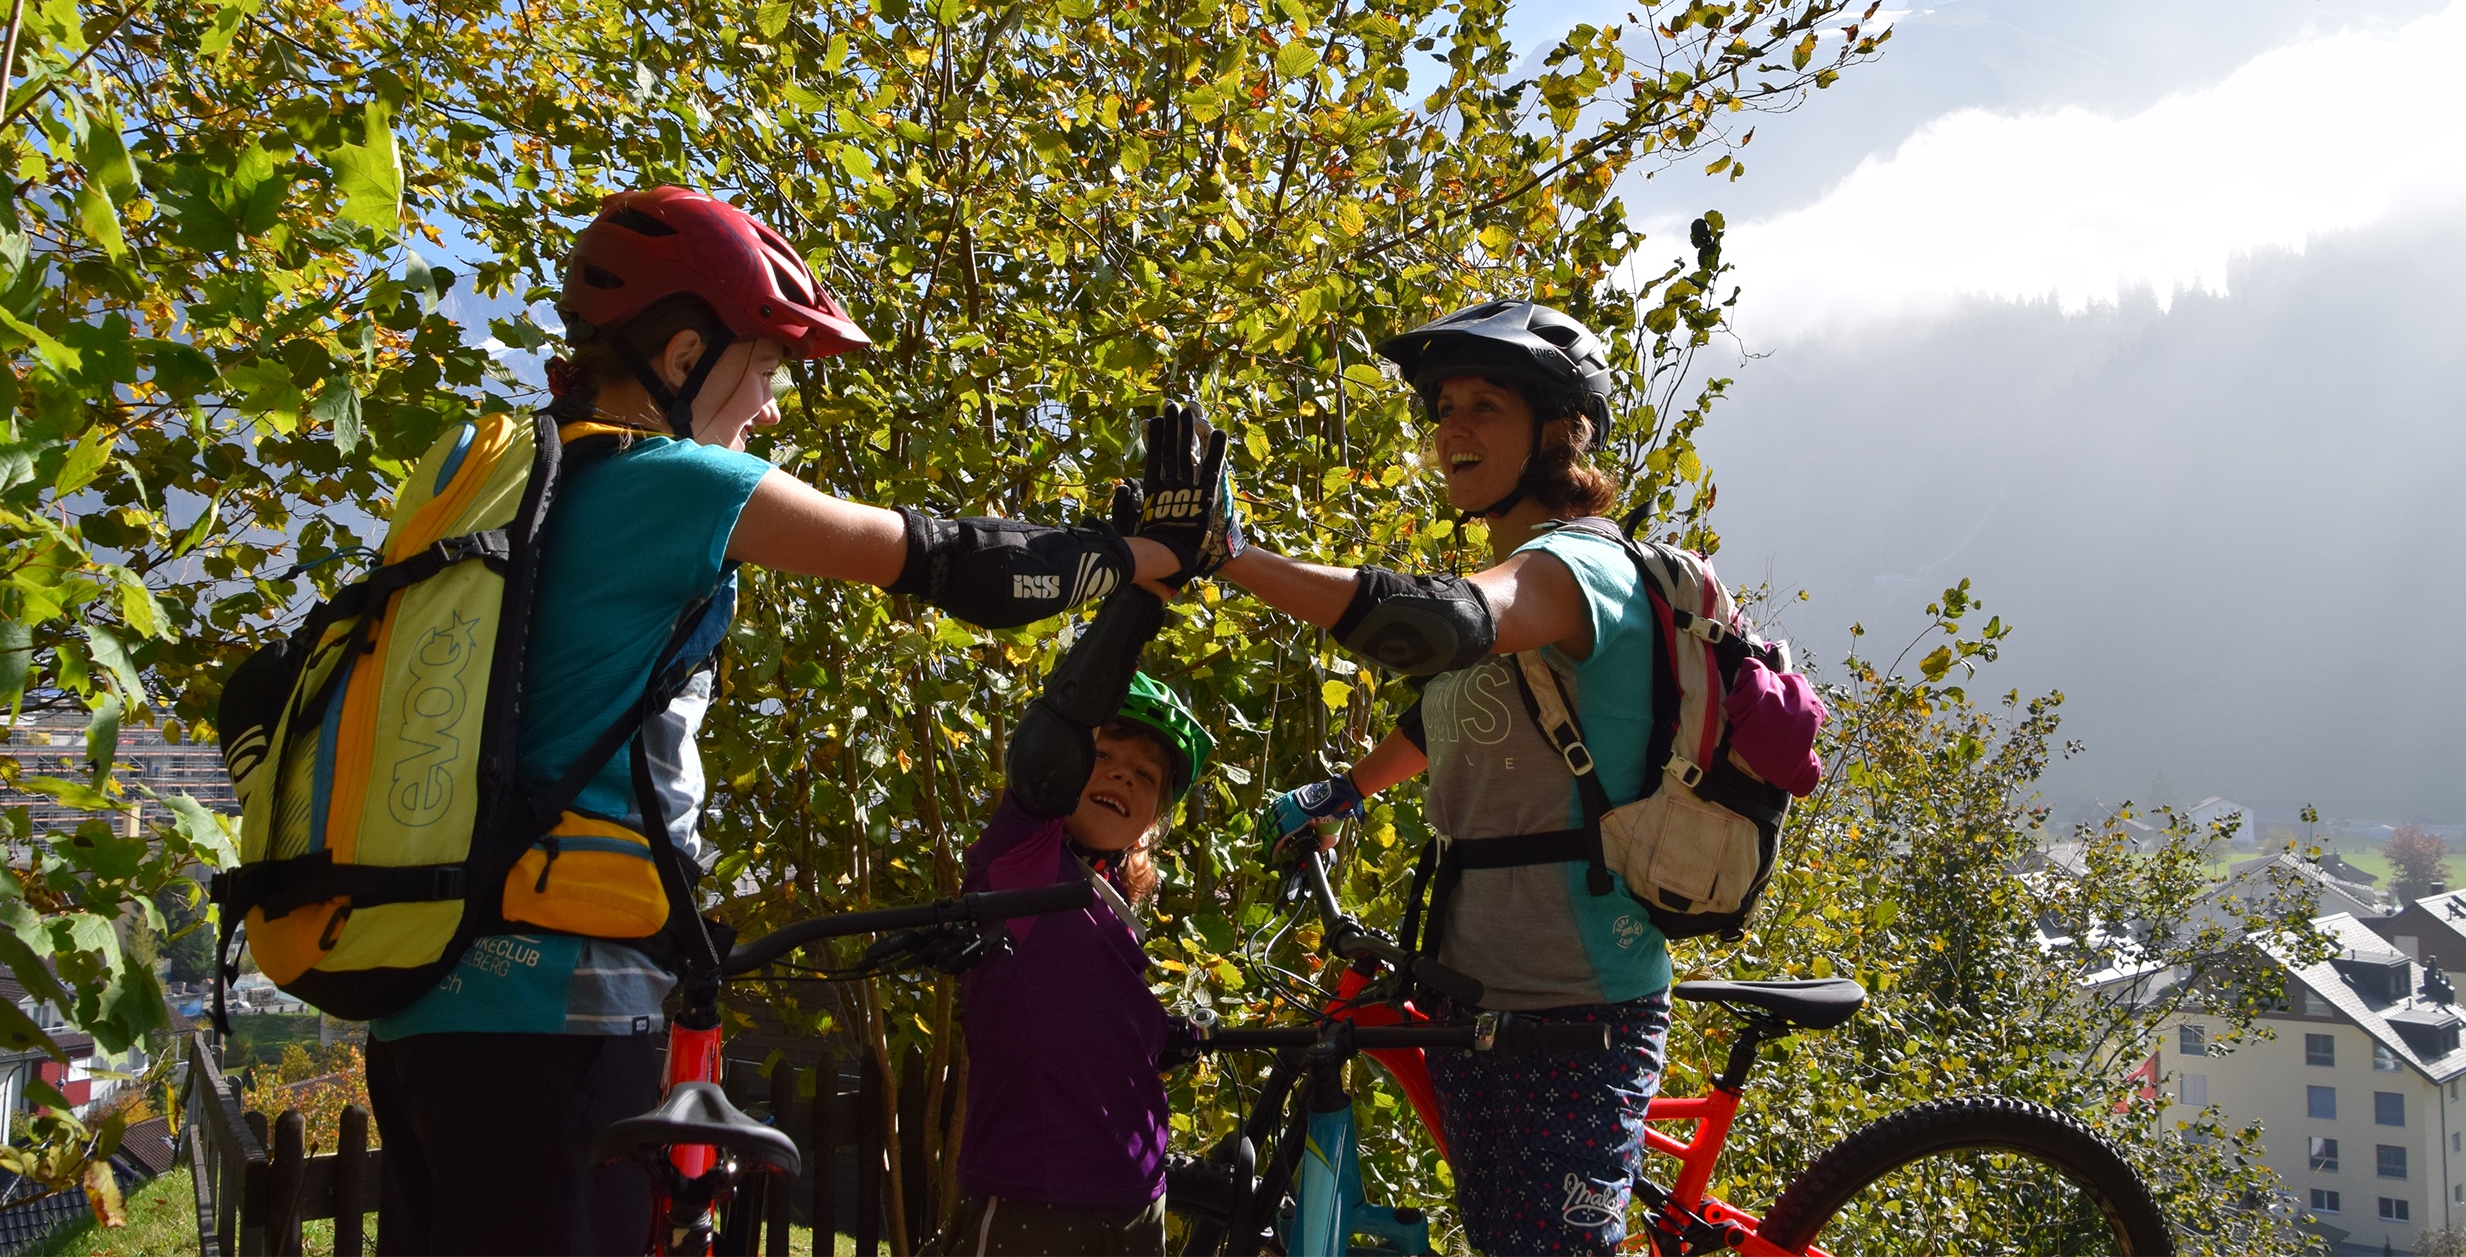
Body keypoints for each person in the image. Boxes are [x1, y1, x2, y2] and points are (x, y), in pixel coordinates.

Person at [362, 187, 1233, 1256]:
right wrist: (1146, 561)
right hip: (559, 1015)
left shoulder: (486, 471)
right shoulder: (669, 480)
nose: (770, 409)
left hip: (421, 1000)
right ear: (685, 355)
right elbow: (944, 557)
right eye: (766, 370)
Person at [1217, 299, 1672, 1255]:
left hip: (1577, 1005)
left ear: (1559, 432)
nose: (1451, 429)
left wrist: (1236, 558)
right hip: (1471, 991)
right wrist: (1343, 793)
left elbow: (1434, 626)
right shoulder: (1510, 587)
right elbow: (1444, 716)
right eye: (1444, 407)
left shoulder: (1577, 570)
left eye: (1484, 407)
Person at [929, 577, 1215, 1256]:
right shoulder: (1022, 863)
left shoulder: (1106, 899)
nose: (1121, 776)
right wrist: (1139, 598)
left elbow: (1076, 1012)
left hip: (1137, 1198)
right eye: (1104, 755)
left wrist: (1157, 1037)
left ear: (1152, 819)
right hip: (1038, 1197)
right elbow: (1056, 725)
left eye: (1146, 776)